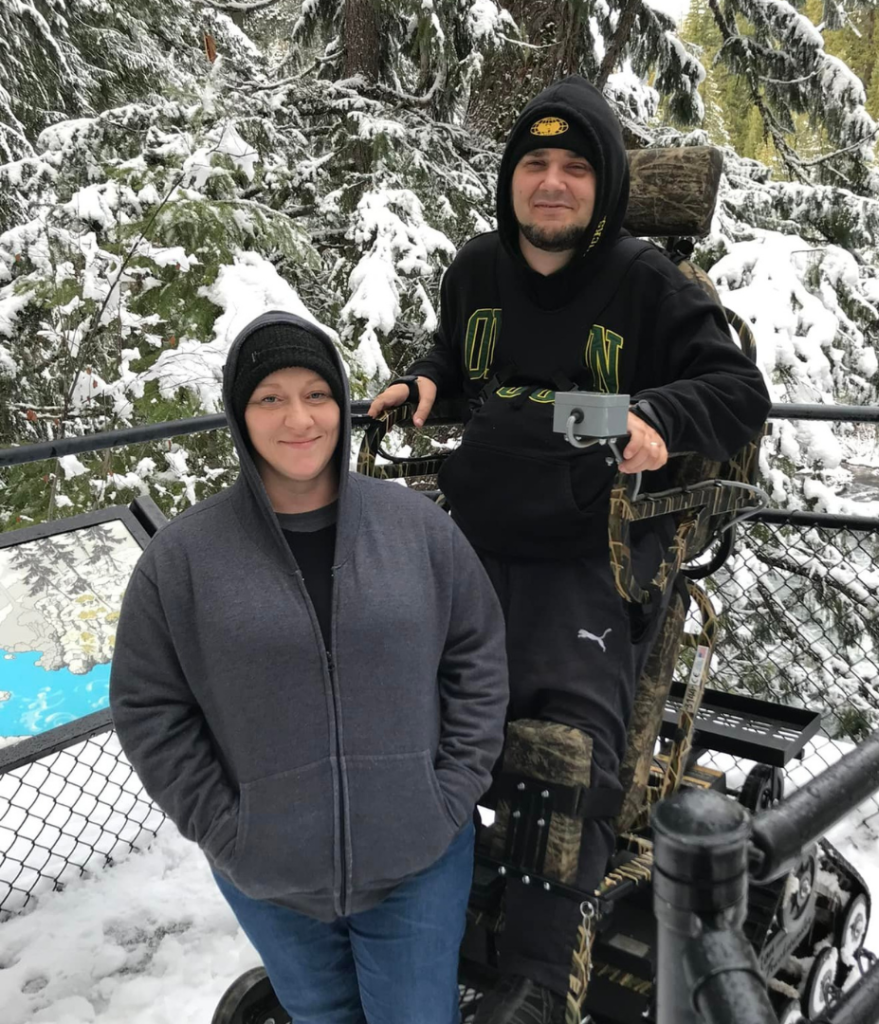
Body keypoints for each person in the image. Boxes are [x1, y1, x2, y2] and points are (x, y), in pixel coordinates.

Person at [369, 76, 772, 1023]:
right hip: (476, 534)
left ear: (606, 188)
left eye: (575, 169)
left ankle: (540, 980)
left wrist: (657, 417)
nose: (551, 184)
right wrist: (429, 384)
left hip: (597, 550)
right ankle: (393, 912)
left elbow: (737, 391)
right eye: (535, 165)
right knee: (400, 710)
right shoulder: (475, 270)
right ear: (512, 180)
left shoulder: (652, 286)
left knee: (565, 751)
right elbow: (467, 370)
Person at [110, 311, 509, 1024]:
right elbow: (149, 707)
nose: (299, 418)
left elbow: (476, 655)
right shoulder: (183, 559)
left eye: (317, 395)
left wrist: (445, 798)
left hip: (417, 861)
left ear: (342, 407)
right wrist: (229, 830)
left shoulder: (417, 529)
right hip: (270, 875)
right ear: (240, 414)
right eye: (270, 398)